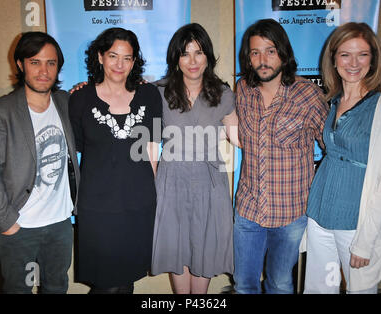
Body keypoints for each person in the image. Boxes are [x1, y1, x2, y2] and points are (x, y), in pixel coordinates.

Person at [0, 31, 80, 294]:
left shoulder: (66, 103)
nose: (44, 71)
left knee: (57, 287)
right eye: (35, 62)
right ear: (20, 64)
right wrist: (6, 221)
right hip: (19, 225)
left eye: (51, 63)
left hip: (60, 224)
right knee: (16, 290)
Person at [304, 22, 381, 294]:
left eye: (362, 54)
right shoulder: (332, 102)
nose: (353, 62)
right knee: (320, 289)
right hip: (320, 216)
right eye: (346, 54)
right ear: (334, 59)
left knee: (361, 290)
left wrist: (365, 242)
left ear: (373, 60)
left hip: (354, 224)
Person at [234, 19, 329, 294]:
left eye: (270, 51)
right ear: (248, 58)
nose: (263, 59)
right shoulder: (242, 91)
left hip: (290, 213)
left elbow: (331, 148)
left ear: (283, 53)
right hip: (248, 210)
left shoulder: (308, 95)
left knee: (280, 283)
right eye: (255, 52)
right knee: (243, 284)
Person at [68, 27, 162, 294]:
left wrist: (152, 194)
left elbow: (153, 149)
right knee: (107, 283)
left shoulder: (149, 95)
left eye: (127, 58)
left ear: (135, 61)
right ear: (100, 57)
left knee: (126, 280)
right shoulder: (80, 98)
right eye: (113, 56)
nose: (120, 64)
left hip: (138, 203)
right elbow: (75, 155)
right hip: (98, 207)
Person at [150, 23, 239, 294]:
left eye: (198, 53)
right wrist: (154, 189)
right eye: (185, 53)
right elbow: (152, 145)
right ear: (176, 58)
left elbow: (237, 137)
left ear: (208, 57)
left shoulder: (223, 93)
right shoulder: (158, 92)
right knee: (177, 250)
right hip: (170, 180)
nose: (192, 61)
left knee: (205, 248)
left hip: (210, 182)